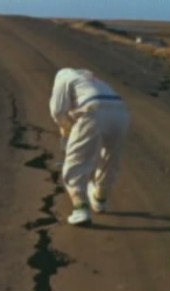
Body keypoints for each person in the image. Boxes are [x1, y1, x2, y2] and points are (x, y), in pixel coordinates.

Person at [49, 68, 130, 226]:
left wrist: (67, 128)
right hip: (121, 113)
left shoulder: (63, 78)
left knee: (76, 161)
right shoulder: (94, 80)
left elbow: (58, 110)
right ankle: (100, 199)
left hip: (93, 110)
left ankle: (80, 209)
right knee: (110, 159)